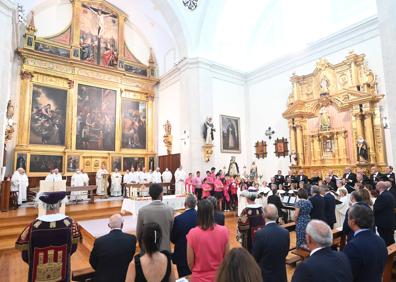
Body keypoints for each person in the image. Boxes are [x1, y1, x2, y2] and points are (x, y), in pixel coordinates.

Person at [15, 191, 80, 282]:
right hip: (62, 271)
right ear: (60, 204)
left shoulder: (33, 226)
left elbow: (25, 255)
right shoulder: (70, 223)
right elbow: (73, 248)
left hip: (37, 274)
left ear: (43, 205)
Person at [187, 199, 229, 282]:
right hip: (219, 277)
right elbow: (227, 258)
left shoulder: (192, 233)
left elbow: (190, 263)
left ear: (198, 214)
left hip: (199, 278)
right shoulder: (224, 231)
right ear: (212, 212)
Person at [343, 204, 387, 282]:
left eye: (348, 217)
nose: (347, 220)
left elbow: (347, 274)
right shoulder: (380, 240)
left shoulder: (353, 246)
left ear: (353, 222)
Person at [89, 214, 136, 282]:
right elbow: (130, 256)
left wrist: (102, 270)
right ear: (122, 225)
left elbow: (92, 261)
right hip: (124, 278)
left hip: (103, 278)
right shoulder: (132, 239)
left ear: (109, 226)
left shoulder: (99, 241)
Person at [253, 204, 289, 282]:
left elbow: (255, 257)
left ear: (263, 215)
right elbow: (285, 252)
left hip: (265, 276)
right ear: (277, 215)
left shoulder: (260, 234)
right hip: (281, 275)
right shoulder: (285, 232)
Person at [136, 183, 174, 252]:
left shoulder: (142, 211)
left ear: (150, 194)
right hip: (164, 248)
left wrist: (142, 246)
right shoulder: (170, 210)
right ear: (161, 194)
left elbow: (139, 233)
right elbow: (171, 230)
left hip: (148, 249)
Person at [171, 194, 197, 278]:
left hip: (182, 255)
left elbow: (173, 239)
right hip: (198, 254)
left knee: (183, 278)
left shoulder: (179, 219)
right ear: (195, 204)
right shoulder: (201, 217)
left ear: (185, 204)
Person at [373, 181, 395, 246]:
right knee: (390, 239)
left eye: (376, 185)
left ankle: (387, 255)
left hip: (384, 222)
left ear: (379, 187)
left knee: (385, 240)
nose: (375, 187)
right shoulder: (388, 194)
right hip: (389, 221)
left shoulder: (383, 196)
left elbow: (376, 208)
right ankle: (393, 254)